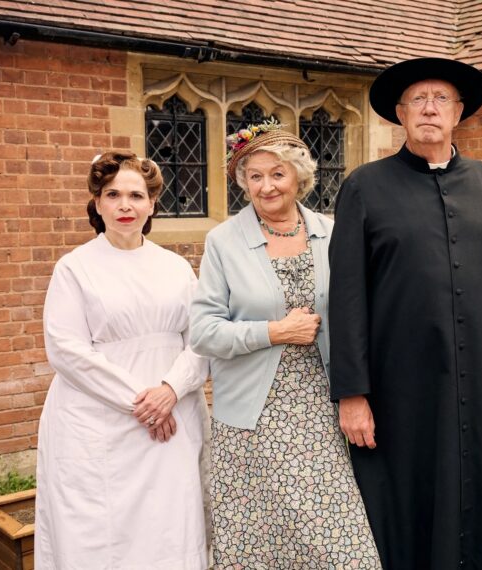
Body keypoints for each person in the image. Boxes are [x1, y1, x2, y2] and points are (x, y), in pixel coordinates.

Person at [328, 57, 482, 569]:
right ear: (400, 113)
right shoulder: (364, 186)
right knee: (401, 507)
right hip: (398, 389)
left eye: (441, 99)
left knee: (475, 500)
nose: (430, 109)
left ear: (459, 112)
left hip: (477, 385)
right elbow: (346, 295)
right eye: (418, 100)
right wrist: (352, 394)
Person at [189, 120, 380, 568]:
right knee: (259, 547)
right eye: (254, 176)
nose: (266, 186)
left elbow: (359, 315)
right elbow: (202, 331)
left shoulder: (333, 233)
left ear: (299, 177)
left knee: (342, 546)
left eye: (277, 174)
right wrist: (274, 331)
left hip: (320, 408)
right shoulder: (223, 241)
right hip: (251, 419)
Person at [36, 152, 210, 568]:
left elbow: (202, 339)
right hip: (97, 421)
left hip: (174, 418)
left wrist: (169, 391)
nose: (125, 206)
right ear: (97, 203)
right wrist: (143, 402)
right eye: (113, 194)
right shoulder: (74, 269)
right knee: (102, 533)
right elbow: (66, 349)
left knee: (171, 525)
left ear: (152, 204)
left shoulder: (176, 268)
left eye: (136, 195)